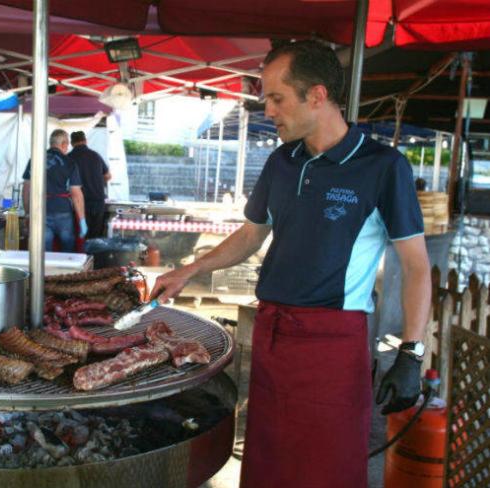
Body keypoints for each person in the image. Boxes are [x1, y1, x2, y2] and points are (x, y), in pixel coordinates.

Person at [151, 40, 431, 488]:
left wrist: (411, 354)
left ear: (316, 96)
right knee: (268, 466)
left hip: (333, 346)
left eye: (276, 98)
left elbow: (416, 265)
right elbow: (250, 235)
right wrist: (187, 271)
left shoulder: (382, 166)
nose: (268, 110)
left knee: (325, 472)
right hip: (273, 337)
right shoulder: (282, 161)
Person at [22, 129, 87, 252]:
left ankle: (44, 271)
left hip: (40, 212)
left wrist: (27, 212)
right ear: (63, 144)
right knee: (68, 250)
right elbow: (76, 194)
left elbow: (26, 189)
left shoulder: (34, 160)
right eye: (67, 145)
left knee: (43, 253)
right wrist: (82, 219)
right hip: (63, 212)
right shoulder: (70, 162)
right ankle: (66, 271)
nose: (67, 148)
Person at [68, 131, 111, 239]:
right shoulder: (95, 156)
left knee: (82, 237)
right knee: (96, 236)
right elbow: (108, 176)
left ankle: (83, 255)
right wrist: (97, 180)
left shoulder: (69, 158)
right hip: (98, 201)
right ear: (85, 141)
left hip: (80, 203)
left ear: (71, 143)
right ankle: (94, 255)